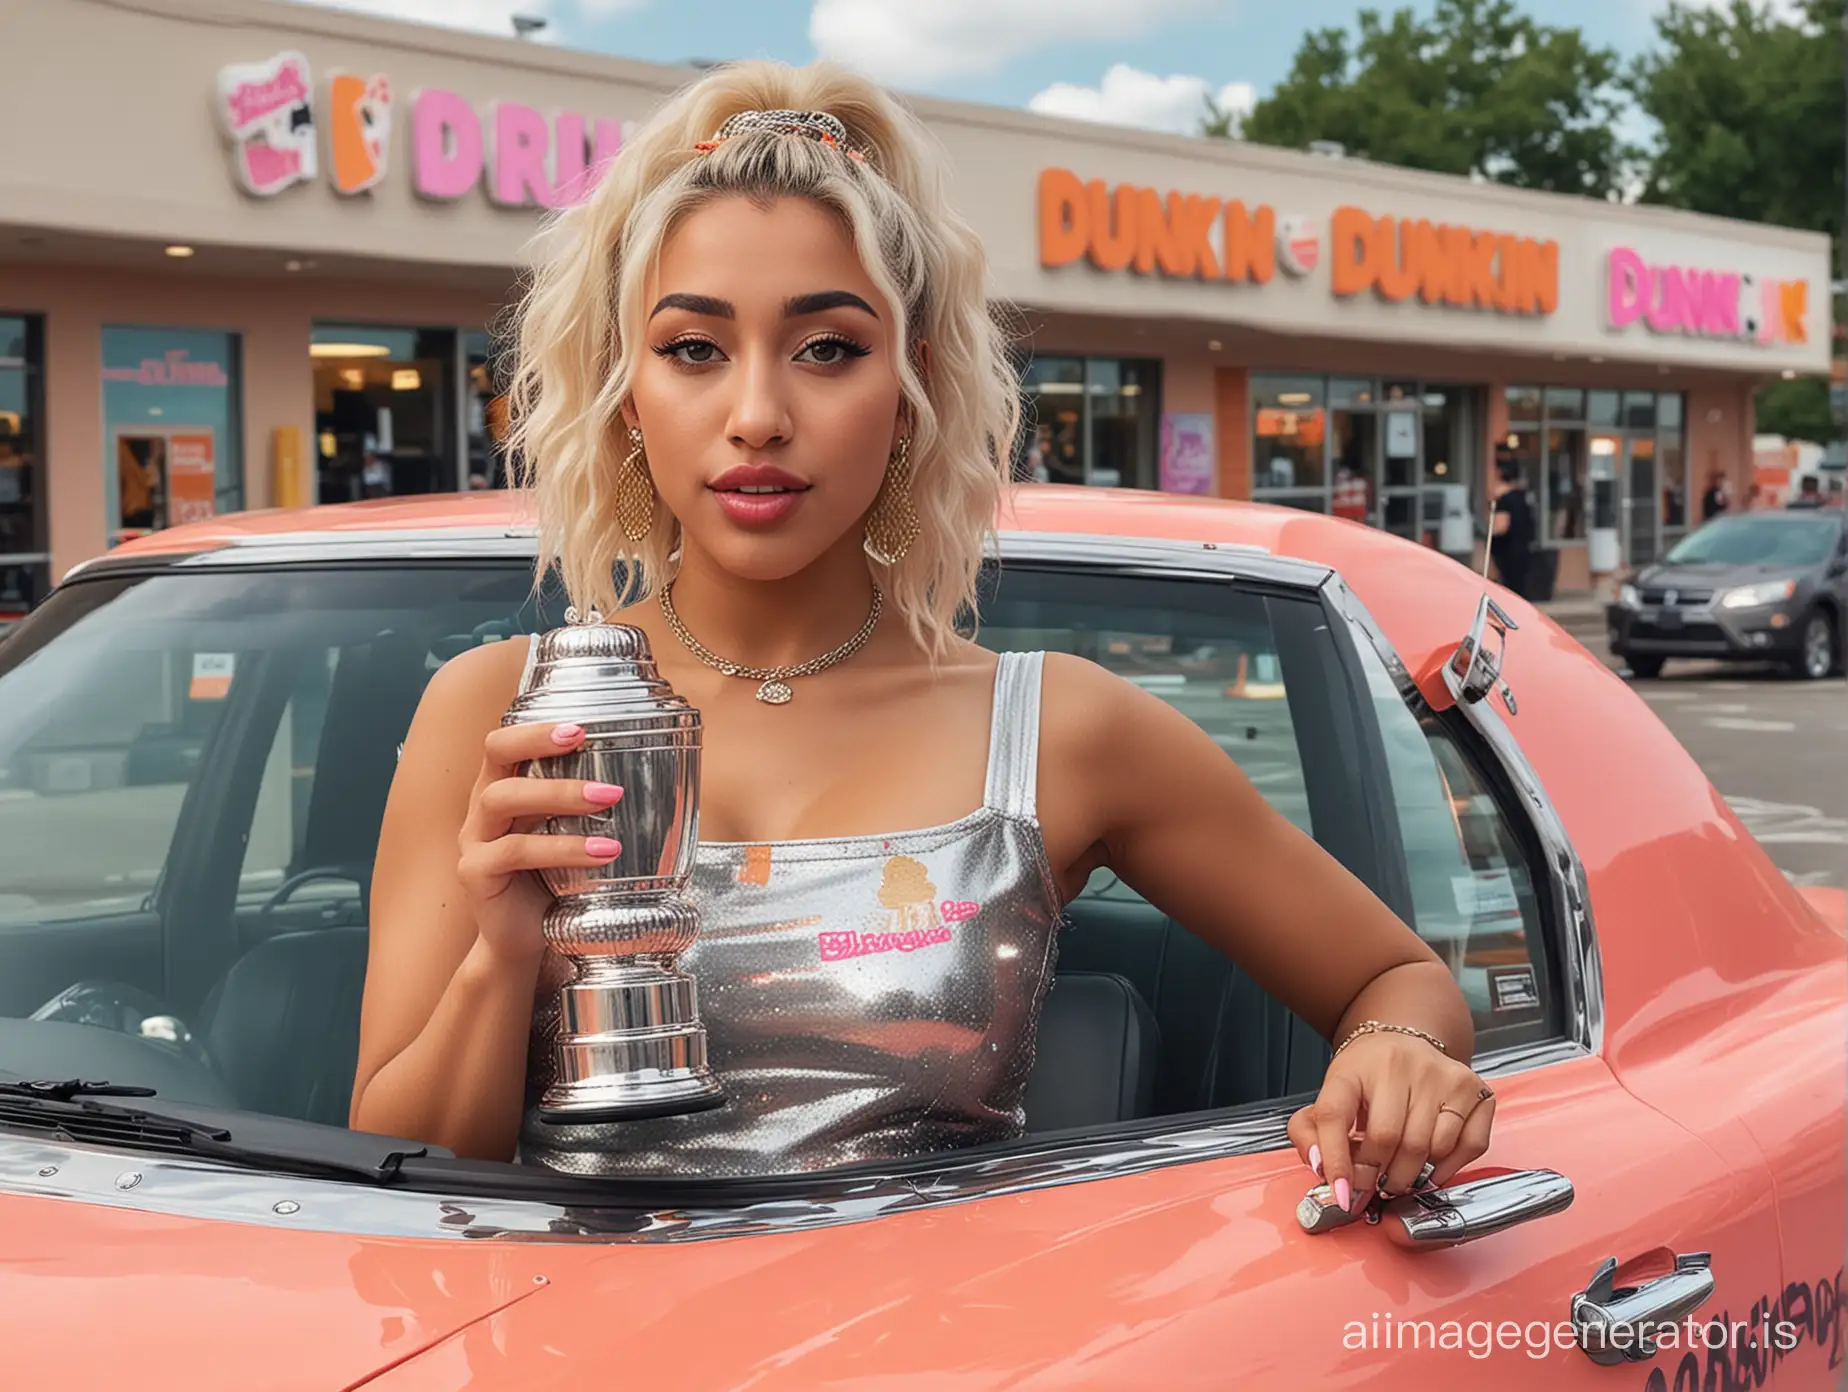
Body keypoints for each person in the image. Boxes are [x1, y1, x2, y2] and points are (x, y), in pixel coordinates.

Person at [349, 61, 1494, 1204]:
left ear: (913, 385)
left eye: (829, 348)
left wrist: (1399, 1056)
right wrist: (506, 953)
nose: (756, 415)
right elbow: (398, 1177)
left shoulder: (1058, 729)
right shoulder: (501, 713)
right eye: (695, 348)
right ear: (625, 386)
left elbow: (1398, 978)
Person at [1486, 452, 1535, 599]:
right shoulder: (1523, 497)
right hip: (1523, 549)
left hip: (1509, 553)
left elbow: (1501, 527)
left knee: (1510, 590)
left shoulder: (1505, 500)